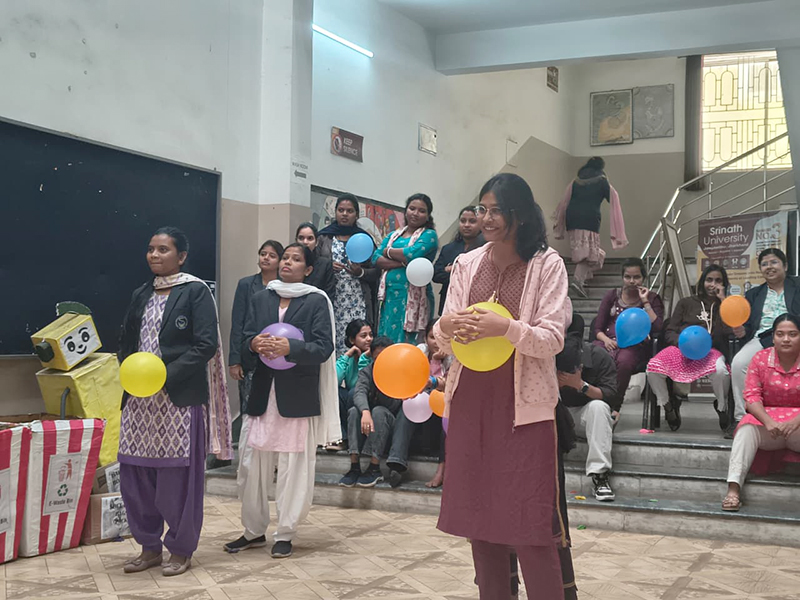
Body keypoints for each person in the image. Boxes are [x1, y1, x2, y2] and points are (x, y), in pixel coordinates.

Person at [434, 172, 569, 598]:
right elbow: (443, 337)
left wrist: (505, 328)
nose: (486, 218)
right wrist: (446, 326)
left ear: (521, 215)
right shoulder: (467, 263)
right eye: (483, 209)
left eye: (497, 210)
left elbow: (552, 339)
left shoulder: (548, 264)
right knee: (481, 522)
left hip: (524, 406)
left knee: (530, 526)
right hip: (471, 399)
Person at [117, 226, 233, 577]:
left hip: (178, 400)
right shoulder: (141, 293)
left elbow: (205, 345)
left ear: (181, 256)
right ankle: (149, 547)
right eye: (151, 249)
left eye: (163, 250)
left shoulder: (195, 292)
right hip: (139, 401)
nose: (154, 255)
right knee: (136, 475)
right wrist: (133, 374)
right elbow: (126, 340)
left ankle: (181, 550)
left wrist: (164, 376)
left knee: (177, 480)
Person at [225, 243, 339, 559]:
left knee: (293, 466)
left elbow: (324, 347)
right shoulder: (262, 297)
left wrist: (292, 348)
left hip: (297, 395)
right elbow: (246, 338)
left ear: (308, 269)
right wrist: (252, 344)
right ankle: (253, 531)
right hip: (262, 391)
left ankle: (286, 532)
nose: (287, 262)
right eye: (285, 257)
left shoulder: (316, 300)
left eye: (296, 259)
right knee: (251, 465)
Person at [647, 264, 745, 431]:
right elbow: (670, 331)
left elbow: (729, 331)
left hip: (710, 351)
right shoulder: (686, 303)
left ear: (724, 284)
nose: (713, 284)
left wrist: (723, 301)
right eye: (709, 280)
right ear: (702, 281)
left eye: (718, 281)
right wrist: (682, 343)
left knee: (721, 371)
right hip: (681, 348)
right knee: (653, 368)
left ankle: (722, 407)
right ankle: (668, 405)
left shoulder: (725, 305)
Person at [724, 314, 800, 511]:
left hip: (798, 427)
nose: (786, 339)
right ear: (772, 337)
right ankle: (733, 489)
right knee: (746, 429)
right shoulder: (760, 358)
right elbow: (751, 396)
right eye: (780, 334)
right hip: (769, 427)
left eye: (792, 334)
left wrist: (794, 422)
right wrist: (768, 422)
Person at [731, 248, 800, 430]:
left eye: (774, 262)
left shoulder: (797, 285)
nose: (769, 267)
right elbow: (748, 325)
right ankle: (741, 417)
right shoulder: (754, 294)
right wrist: (741, 330)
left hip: (794, 336)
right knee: (739, 364)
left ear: (785, 266)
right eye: (764, 264)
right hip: (762, 338)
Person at [557, 324, 619, 502]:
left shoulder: (599, 357)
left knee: (599, 407)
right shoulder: (549, 357)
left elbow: (610, 396)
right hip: (557, 411)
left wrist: (581, 385)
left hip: (585, 414)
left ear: (581, 365)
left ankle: (600, 475)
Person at [553, 156, 628, 297]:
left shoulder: (575, 182)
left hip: (572, 221)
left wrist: (559, 223)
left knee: (596, 254)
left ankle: (584, 278)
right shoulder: (602, 181)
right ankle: (578, 280)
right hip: (590, 221)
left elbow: (564, 202)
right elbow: (613, 197)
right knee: (588, 256)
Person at [592, 258, 665, 403]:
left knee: (624, 362)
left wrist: (645, 301)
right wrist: (606, 340)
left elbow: (658, 327)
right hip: (608, 342)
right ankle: (593, 398)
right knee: (593, 355)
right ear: (622, 277)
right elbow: (597, 328)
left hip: (635, 346)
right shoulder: (611, 296)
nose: (632, 281)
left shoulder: (652, 298)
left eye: (636, 277)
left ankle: (615, 404)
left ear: (643, 278)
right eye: (627, 277)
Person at [316, 193, 381, 355]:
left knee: (358, 340)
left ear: (356, 214)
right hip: (333, 299)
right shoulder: (324, 237)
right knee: (333, 340)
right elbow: (313, 266)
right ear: (335, 212)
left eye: (349, 211)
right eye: (341, 210)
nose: (344, 214)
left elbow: (376, 271)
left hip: (358, 299)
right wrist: (328, 266)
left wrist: (361, 272)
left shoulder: (364, 238)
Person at [373, 193, 439, 344]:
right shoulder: (393, 235)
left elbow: (412, 254)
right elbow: (375, 258)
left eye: (421, 211)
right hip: (390, 296)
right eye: (412, 208)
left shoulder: (429, 235)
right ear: (406, 210)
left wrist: (388, 251)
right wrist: (402, 263)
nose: (415, 213)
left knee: (408, 341)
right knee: (387, 338)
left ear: (428, 216)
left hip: (415, 295)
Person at [229, 240, 284, 414]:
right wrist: (234, 361)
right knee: (249, 406)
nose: (266, 258)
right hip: (251, 354)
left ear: (280, 261)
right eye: (263, 254)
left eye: (272, 255)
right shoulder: (246, 284)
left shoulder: (286, 286)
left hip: (278, 354)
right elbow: (237, 323)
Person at [338, 336, 397, 487]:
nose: (381, 361)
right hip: (368, 425)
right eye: (377, 358)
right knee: (354, 411)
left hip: (388, 426)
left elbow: (393, 404)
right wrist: (365, 411)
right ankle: (354, 466)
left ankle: (374, 467)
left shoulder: (398, 372)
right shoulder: (367, 371)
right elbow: (359, 391)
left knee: (379, 411)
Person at [328, 319, 373, 451]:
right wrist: (347, 356)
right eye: (364, 336)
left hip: (369, 401)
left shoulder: (374, 357)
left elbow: (363, 385)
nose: (369, 339)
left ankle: (354, 439)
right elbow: (333, 381)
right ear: (352, 340)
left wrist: (364, 358)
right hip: (350, 402)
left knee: (354, 391)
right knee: (334, 391)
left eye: (371, 335)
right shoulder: (349, 358)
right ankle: (342, 438)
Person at [433, 206, 485, 315]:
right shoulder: (448, 249)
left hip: (475, 305)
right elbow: (436, 275)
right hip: (448, 304)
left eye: (472, 221)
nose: (466, 225)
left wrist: (451, 269)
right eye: (463, 221)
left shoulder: (486, 250)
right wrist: (458, 272)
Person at [295, 222, 336, 299]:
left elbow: (329, 294)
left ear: (316, 242)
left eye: (310, 238)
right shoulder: (289, 262)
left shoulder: (325, 264)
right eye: (301, 238)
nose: (305, 242)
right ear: (296, 240)